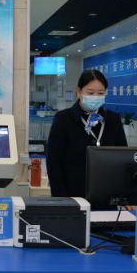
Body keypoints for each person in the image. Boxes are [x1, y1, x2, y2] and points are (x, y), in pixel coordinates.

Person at [46, 69, 127, 198]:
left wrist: (124, 196)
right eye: (90, 93)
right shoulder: (63, 119)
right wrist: (61, 199)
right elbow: (53, 162)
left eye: (100, 93)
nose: (95, 97)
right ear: (79, 92)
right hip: (72, 196)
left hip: (107, 195)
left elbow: (123, 157)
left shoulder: (113, 119)